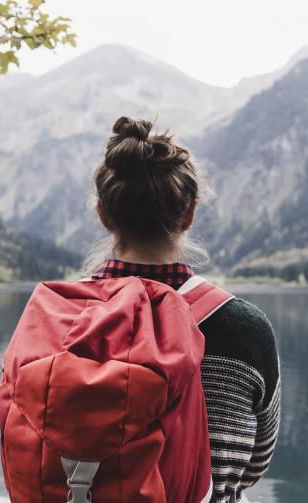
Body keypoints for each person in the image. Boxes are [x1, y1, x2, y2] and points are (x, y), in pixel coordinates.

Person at [85, 116, 281, 503]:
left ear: (104, 216)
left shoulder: (58, 319)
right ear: (189, 215)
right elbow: (255, 465)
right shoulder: (245, 331)